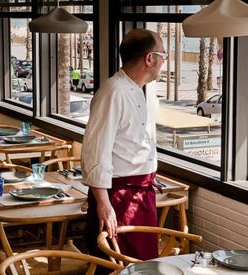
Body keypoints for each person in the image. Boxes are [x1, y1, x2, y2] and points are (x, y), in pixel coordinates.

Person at [81, 29, 166, 274]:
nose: (163, 61)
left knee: (143, 265)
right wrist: (104, 204)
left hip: (141, 193)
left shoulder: (141, 91)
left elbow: (134, 142)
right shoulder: (113, 92)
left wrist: (147, 170)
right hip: (119, 198)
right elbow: (96, 150)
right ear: (149, 59)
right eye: (162, 55)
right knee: (120, 266)